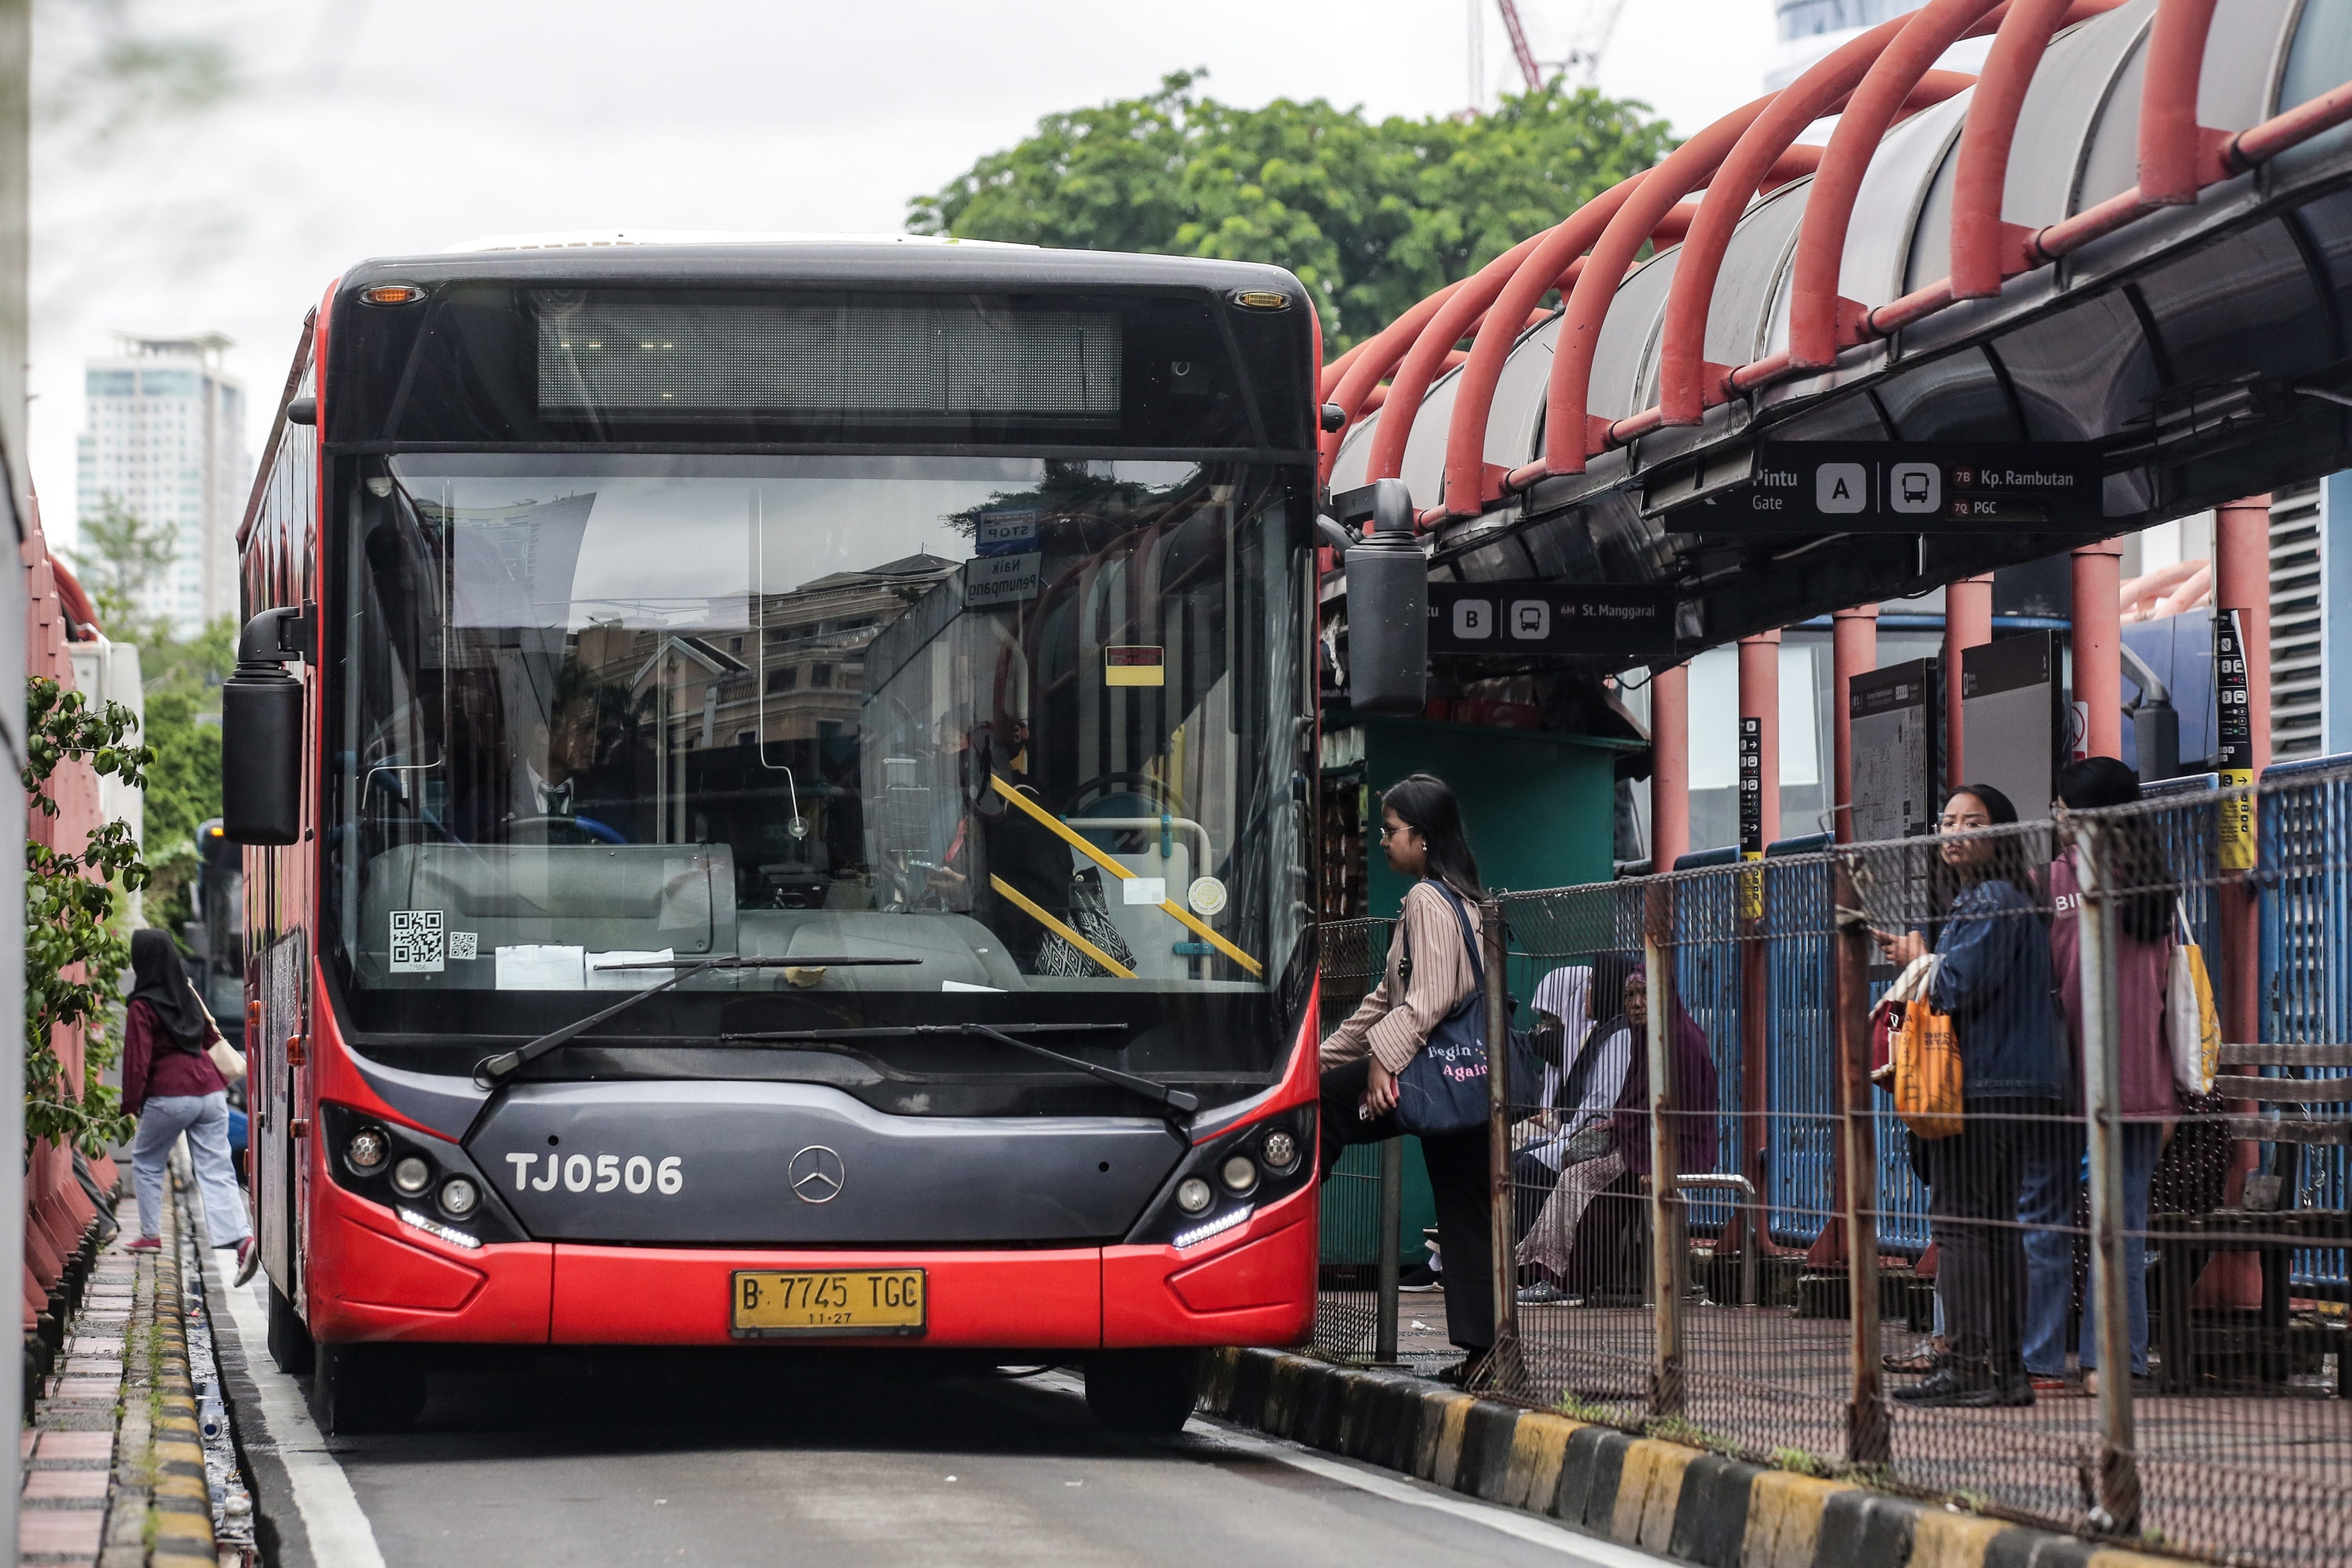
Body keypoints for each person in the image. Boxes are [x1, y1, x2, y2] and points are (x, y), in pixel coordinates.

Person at [1876, 783, 2064, 1408]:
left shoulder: (1988, 900)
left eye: (1972, 824)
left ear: (1999, 835)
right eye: (1948, 821)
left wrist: (1917, 957)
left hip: (1982, 1086)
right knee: (2000, 1226)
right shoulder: (2012, 899)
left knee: (1958, 1225)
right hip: (2020, 1086)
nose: (1955, 833)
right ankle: (2007, 1372)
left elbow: (1953, 988)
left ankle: (1965, 1364)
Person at [1319, 775, 1495, 1379]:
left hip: (1432, 1070)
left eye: (1390, 830)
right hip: (1467, 1076)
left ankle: (1276, 1241)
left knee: (1319, 1108)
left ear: (1423, 837)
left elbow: (1429, 999)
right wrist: (1324, 1056)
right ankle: (1486, 1355)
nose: (1382, 840)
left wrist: (1381, 1061)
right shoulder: (1463, 897)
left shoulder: (1427, 898)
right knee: (1467, 1212)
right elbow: (1383, 1000)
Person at [2029, 756, 2174, 1394]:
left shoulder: (2051, 881)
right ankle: (2110, 1363)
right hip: (2137, 1080)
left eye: (2063, 807)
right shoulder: (2153, 881)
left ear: (2088, 815)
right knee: (2122, 1229)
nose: (2057, 816)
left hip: (2064, 1076)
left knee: (2047, 1219)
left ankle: (2043, 1357)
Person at [121, 929, 257, 1284]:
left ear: (141, 960)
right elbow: (211, 1038)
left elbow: (137, 1061)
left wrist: (131, 1103)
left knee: (147, 1161)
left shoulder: (141, 1005)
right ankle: (243, 1241)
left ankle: (150, 1234)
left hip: (170, 1094)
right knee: (216, 1168)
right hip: (211, 1093)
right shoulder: (187, 993)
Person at [1512, 953, 1640, 1299]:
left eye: (1593, 985)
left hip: (1604, 1141)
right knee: (1523, 1156)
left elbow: (1600, 1108)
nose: (1586, 993)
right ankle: (1523, 1264)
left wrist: (1563, 1138)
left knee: (1529, 1165)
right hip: (1588, 1134)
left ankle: (1536, 1272)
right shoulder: (1604, 1031)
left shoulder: (1620, 1037)